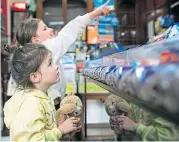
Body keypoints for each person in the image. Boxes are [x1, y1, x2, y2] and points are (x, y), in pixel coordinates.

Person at [7, 0, 111, 107]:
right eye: (45, 29)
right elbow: (70, 31)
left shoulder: (24, 54)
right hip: (49, 104)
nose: (51, 29)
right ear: (35, 39)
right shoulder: (47, 48)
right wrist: (94, 13)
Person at [3, 43, 81, 141]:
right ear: (35, 77)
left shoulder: (42, 97)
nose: (56, 66)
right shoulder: (31, 103)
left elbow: (44, 128)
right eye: (50, 63)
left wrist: (63, 126)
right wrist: (60, 130)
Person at [109, 102, 179, 141]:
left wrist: (135, 127)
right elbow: (135, 129)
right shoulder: (137, 92)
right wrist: (122, 126)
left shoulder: (165, 98)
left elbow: (167, 137)